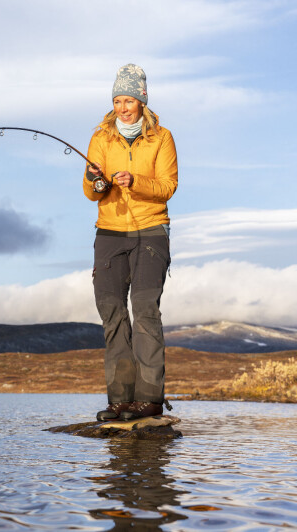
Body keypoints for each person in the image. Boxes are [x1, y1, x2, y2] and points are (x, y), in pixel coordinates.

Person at [82, 64, 178, 422]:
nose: (123, 107)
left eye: (130, 100)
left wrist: (134, 180)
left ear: (143, 101)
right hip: (109, 233)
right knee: (112, 313)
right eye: (118, 100)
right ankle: (120, 401)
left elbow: (168, 187)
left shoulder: (162, 138)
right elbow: (89, 190)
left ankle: (150, 400)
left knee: (144, 309)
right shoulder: (101, 138)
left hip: (151, 232)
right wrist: (98, 184)